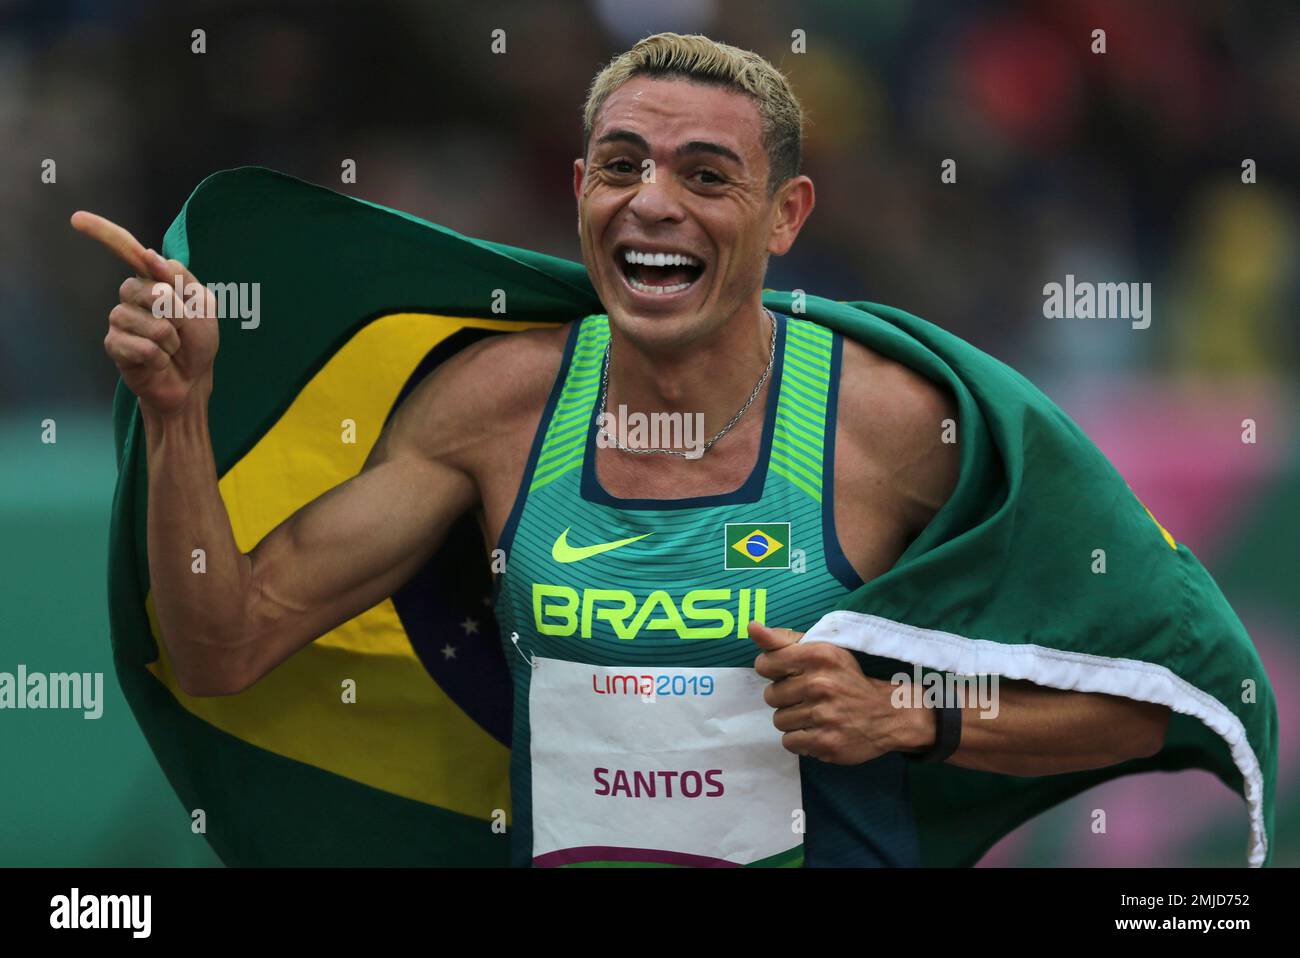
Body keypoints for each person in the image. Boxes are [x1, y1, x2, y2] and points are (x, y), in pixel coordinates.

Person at [73, 32, 1169, 867]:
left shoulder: (889, 426)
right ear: (580, 186)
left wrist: (904, 713)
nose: (653, 204)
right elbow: (224, 648)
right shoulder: (492, 408)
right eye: (621, 165)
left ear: (786, 215)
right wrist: (178, 415)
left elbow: (1145, 703)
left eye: (703, 176)